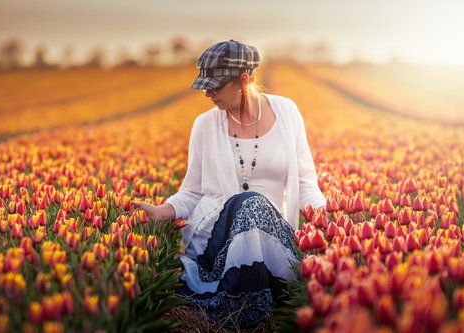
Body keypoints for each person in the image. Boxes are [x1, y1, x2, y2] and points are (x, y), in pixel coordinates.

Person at [131, 40, 326, 327]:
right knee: (247, 203)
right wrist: (163, 210)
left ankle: (250, 302)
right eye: (205, 86)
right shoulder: (205, 125)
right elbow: (192, 191)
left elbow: (305, 180)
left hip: (271, 236)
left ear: (243, 80)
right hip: (216, 236)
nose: (208, 93)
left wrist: (327, 218)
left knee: (253, 204)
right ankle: (250, 309)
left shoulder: (287, 114)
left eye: (215, 85)